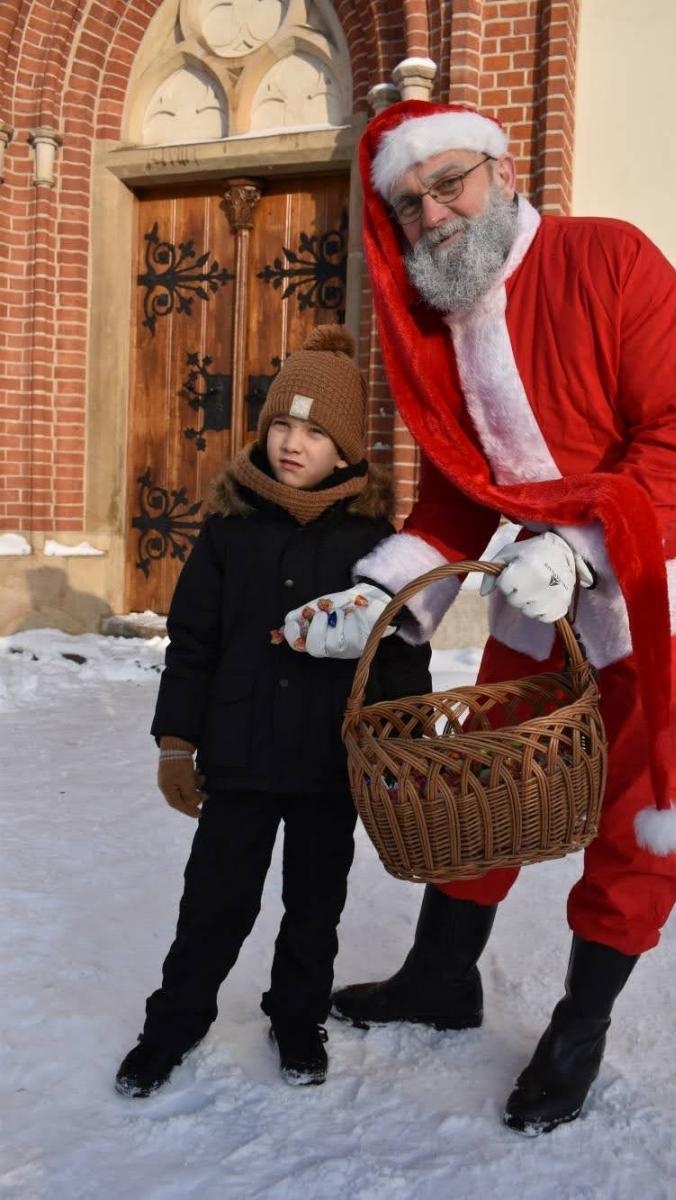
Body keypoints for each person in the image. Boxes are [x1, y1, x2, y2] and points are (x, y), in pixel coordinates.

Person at [283, 101, 676, 1135]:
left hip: (668, 574)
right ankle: (441, 975)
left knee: (638, 805)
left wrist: (579, 547)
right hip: (538, 583)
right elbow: (461, 490)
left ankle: (579, 1024)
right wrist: (380, 594)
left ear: (502, 171)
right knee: (489, 768)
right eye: (409, 203)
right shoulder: (444, 321)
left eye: (449, 183)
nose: (433, 214)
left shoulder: (607, 257)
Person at [114, 324, 431, 1098]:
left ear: (346, 450)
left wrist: (404, 745)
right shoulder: (230, 530)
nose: (293, 443)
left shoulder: (374, 543)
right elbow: (193, 641)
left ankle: (297, 1017)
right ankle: (174, 1022)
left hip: (329, 762)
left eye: (316, 433)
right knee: (215, 901)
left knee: (315, 905)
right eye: (283, 424)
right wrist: (176, 742)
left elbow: (399, 651)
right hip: (241, 754)